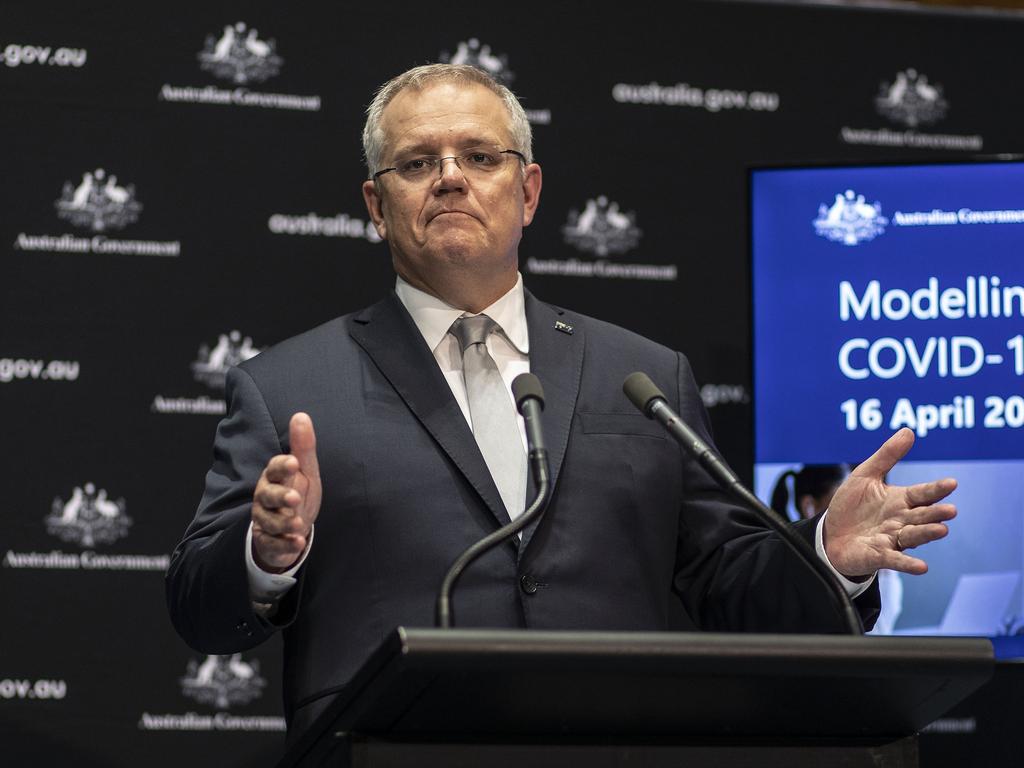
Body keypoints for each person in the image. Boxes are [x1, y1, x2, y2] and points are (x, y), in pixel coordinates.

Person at [165, 63, 957, 743]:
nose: (450, 176)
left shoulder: (644, 377)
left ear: (529, 190)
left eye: (479, 155)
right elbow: (201, 612)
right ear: (375, 206)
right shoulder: (288, 387)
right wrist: (266, 558)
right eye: (416, 163)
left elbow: (734, 590)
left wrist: (825, 556)